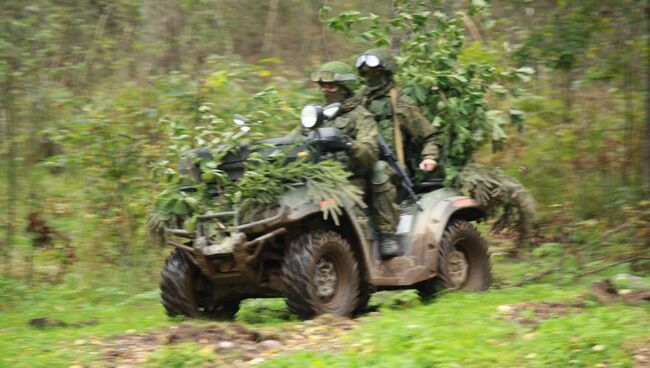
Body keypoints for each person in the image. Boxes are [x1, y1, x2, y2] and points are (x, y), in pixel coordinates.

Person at [310, 61, 402, 258]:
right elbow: (295, 141)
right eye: (322, 86)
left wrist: (346, 143)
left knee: (380, 169)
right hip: (321, 179)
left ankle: (387, 235)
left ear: (345, 88)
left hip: (354, 180)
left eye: (331, 86)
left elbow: (369, 153)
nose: (326, 91)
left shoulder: (361, 116)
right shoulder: (317, 115)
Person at [355, 48, 441, 257]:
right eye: (366, 74)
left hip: (391, 169)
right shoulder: (358, 102)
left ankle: (387, 236)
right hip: (360, 161)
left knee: (379, 171)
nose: (370, 78)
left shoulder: (401, 104)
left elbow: (430, 136)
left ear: (386, 73)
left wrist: (429, 157)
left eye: (375, 73)